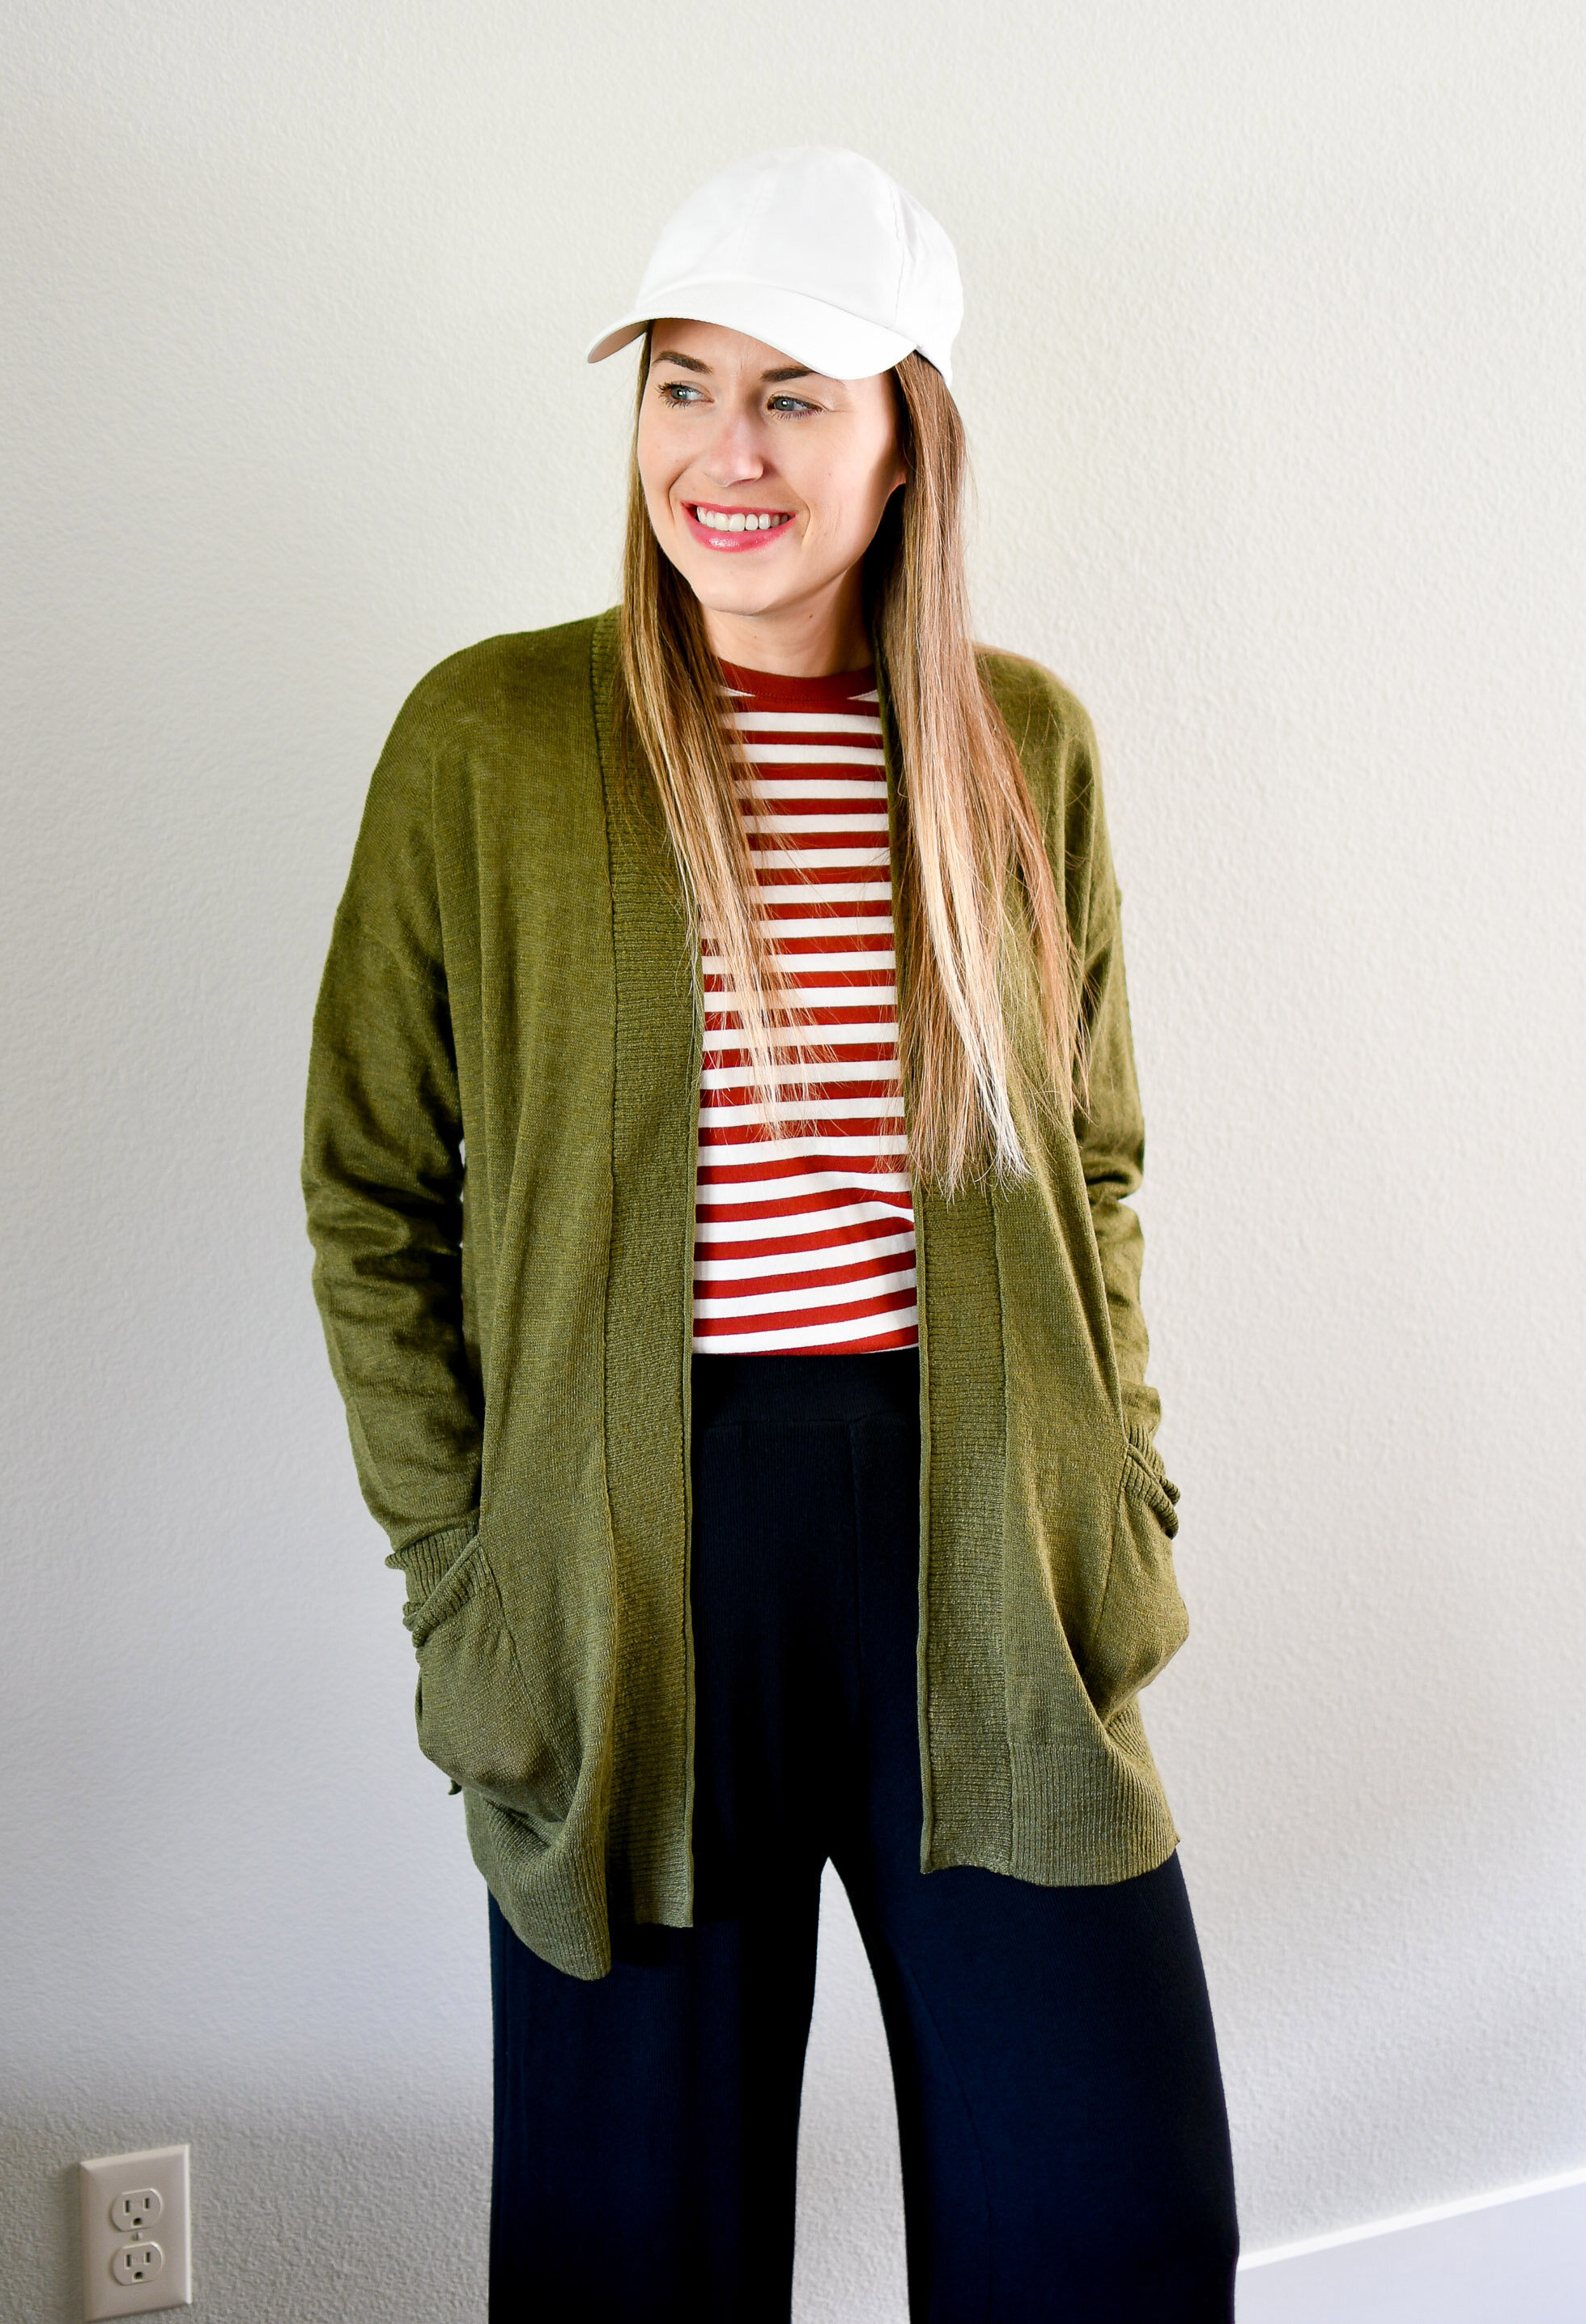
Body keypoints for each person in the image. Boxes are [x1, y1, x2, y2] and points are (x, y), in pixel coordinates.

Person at [302, 145, 1238, 2323]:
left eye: (794, 395)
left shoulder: (1024, 753)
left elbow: (1091, 1161)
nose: (725, 453)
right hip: (630, 1580)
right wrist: (470, 1588)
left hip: (981, 1548)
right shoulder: (492, 740)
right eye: (682, 387)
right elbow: (370, 1193)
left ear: (907, 435)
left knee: (1104, 2230)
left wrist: (1118, 1503)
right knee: (644, 2254)